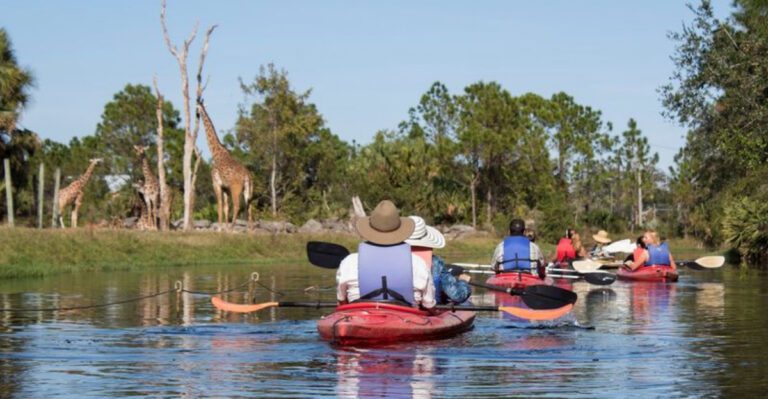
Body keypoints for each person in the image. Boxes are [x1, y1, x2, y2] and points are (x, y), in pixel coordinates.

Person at [337, 200, 436, 309]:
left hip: (358, 314)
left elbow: (342, 300)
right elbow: (428, 303)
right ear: (399, 230)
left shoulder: (349, 261)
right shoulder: (417, 262)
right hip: (407, 316)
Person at [406, 216, 471, 305]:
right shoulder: (436, 263)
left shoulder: (394, 259)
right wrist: (463, 282)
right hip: (427, 309)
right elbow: (457, 295)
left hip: (400, 307)